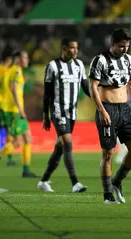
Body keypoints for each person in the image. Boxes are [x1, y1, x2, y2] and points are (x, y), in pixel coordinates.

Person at [89, 28, 131, 204]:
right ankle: (107, 194)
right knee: (108, 154)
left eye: (127, 46)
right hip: (108, 109)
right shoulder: (100, 60)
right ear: (112, 44)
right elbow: (93, 87)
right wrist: (102, 111)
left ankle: (117, 182)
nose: (124, 49)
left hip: (125, 110)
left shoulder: (128, 60)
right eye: (121, 46)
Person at [38, 37, 90, 193]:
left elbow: (86, 87)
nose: (75, 51)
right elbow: (47, 94)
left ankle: (44, 180)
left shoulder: (79, 65)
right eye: (72, 48)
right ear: (64, 49)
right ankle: (75, 183)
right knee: (67, 142)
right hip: (57, 110)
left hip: (72, 112)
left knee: (59, 148)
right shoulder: (53, 66)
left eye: (76, 48)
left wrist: (99, 99)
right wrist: (46, 116)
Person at [0, 50, 37, 178]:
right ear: (18, 59)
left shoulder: (14, 70)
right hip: (13, 111)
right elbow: (13, 90)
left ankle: (26, 170)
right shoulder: (16, 71)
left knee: (28, 138)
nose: (27, 60)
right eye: (25, 58)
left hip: (15, 110)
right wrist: (21, 110)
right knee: (17, 142)